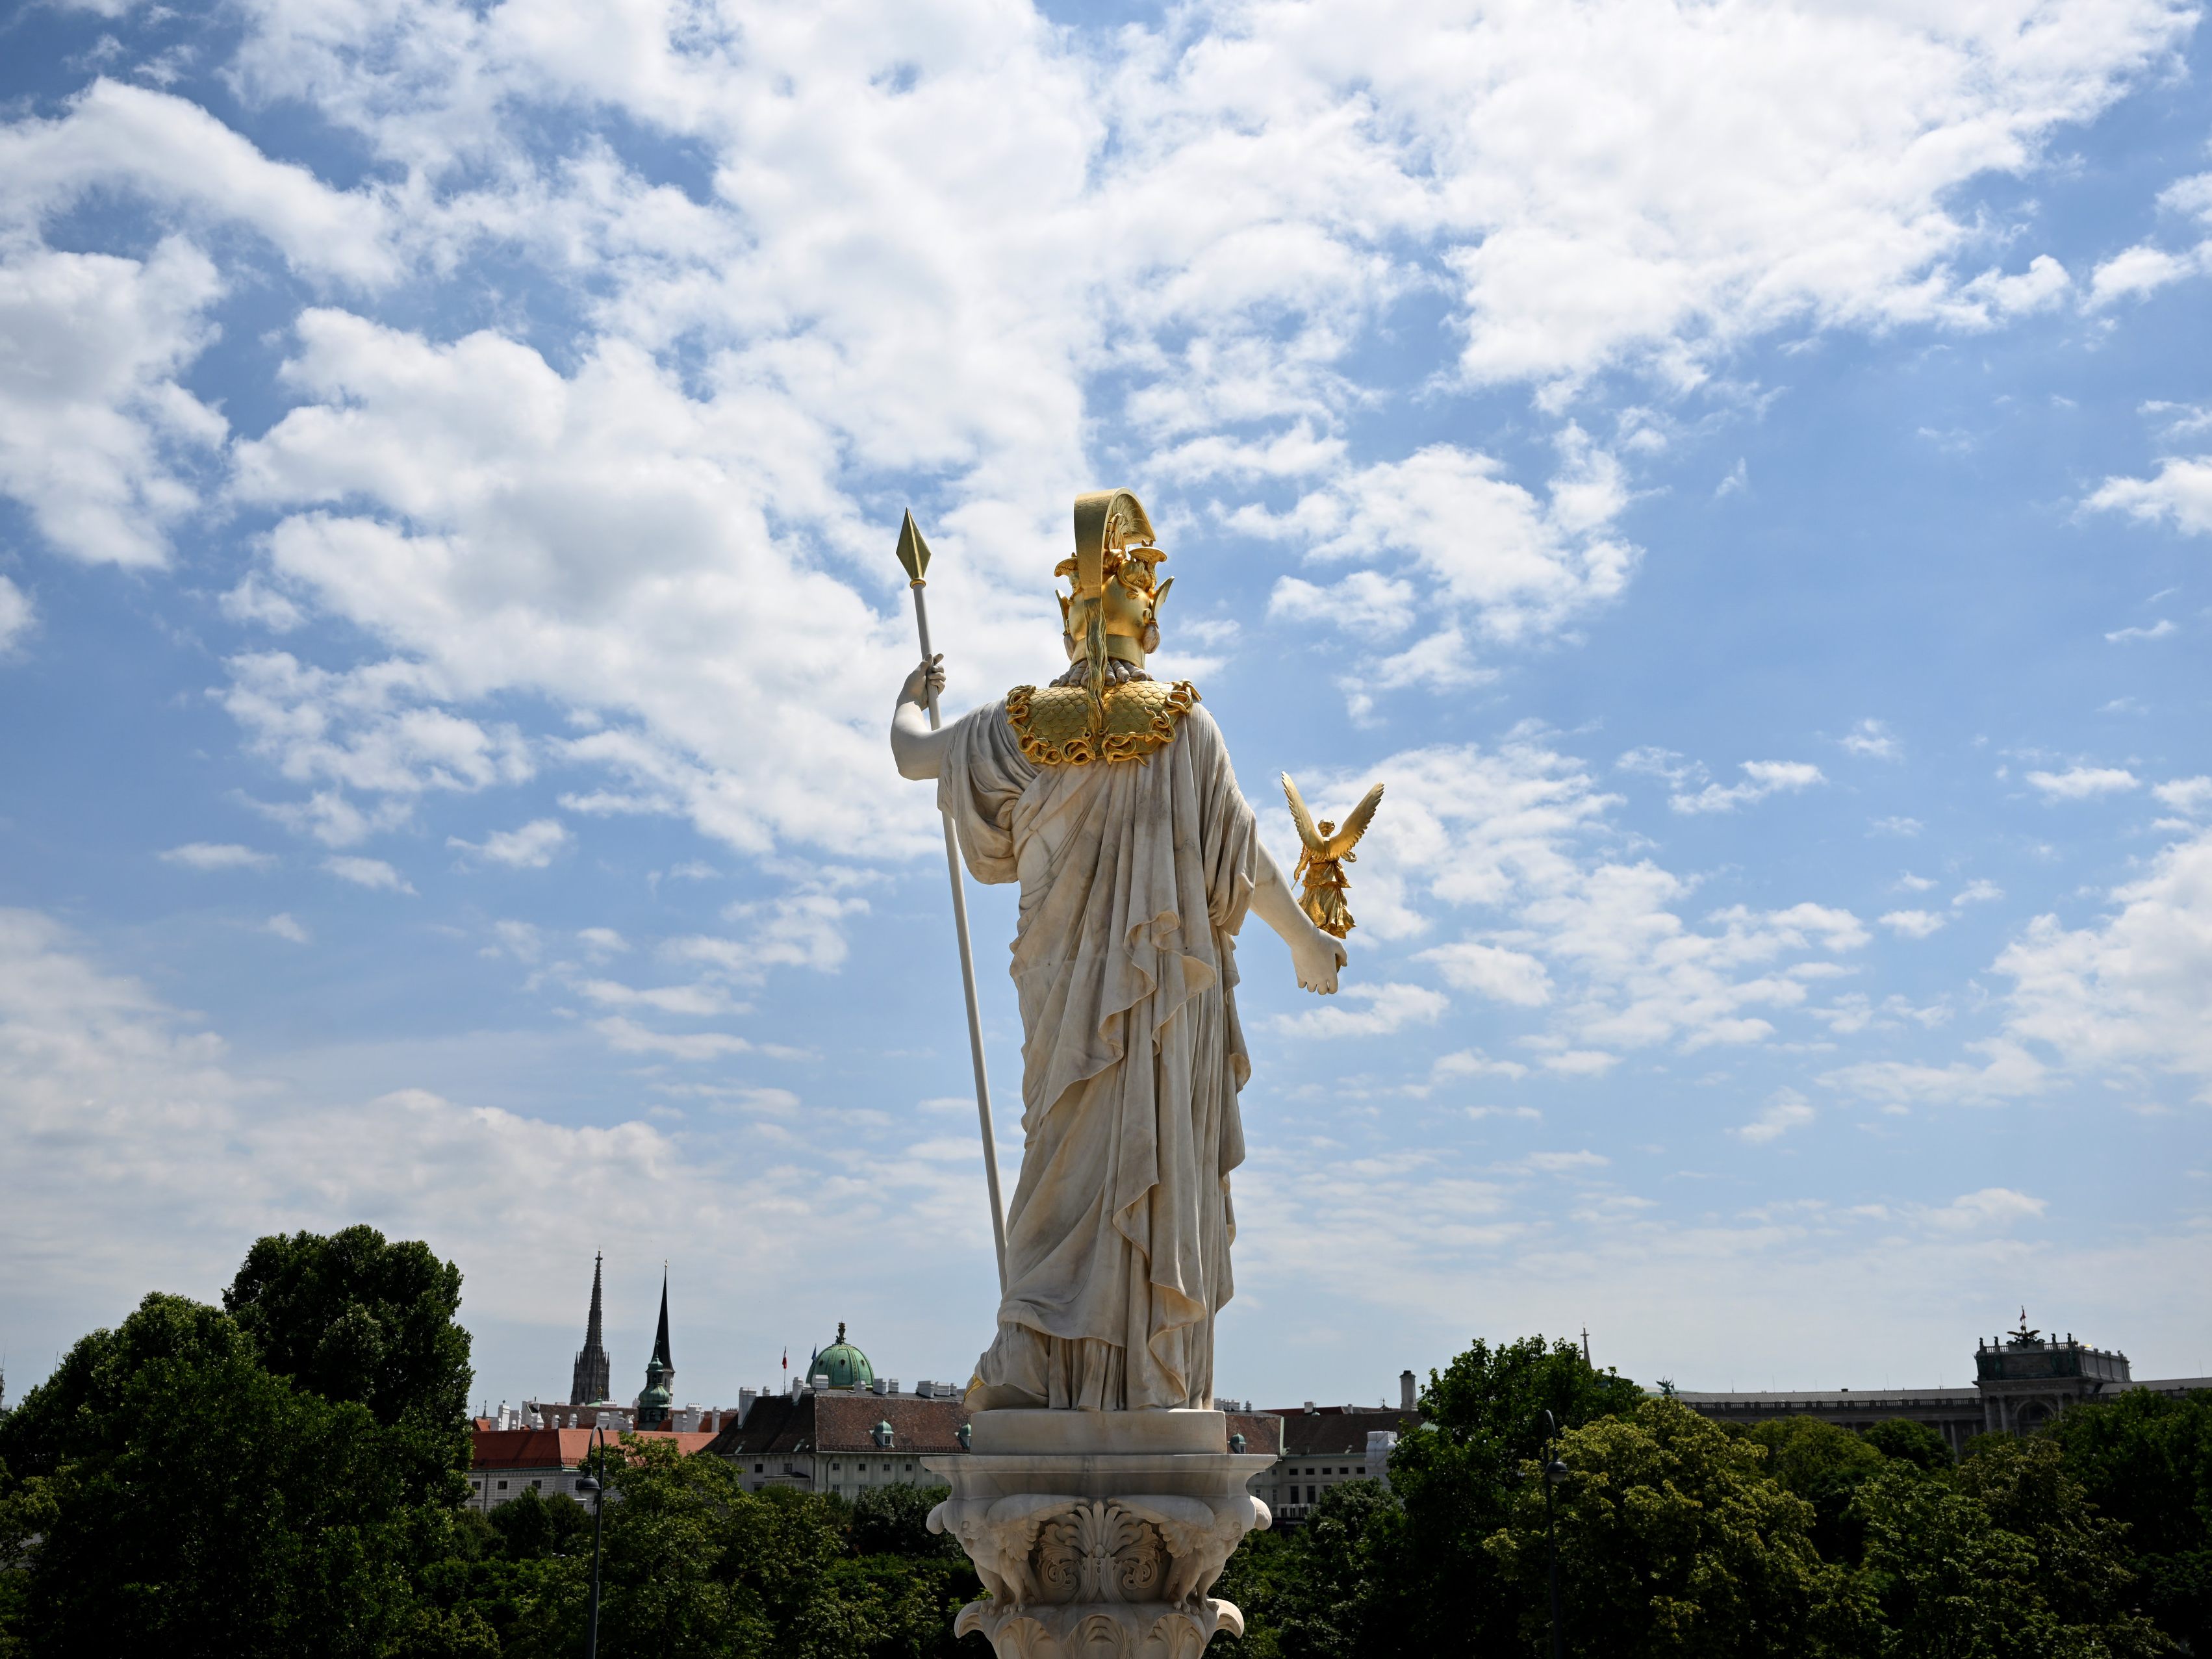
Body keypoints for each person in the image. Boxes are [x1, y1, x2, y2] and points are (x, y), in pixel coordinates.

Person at [889, 489, 1345, 1413]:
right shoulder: (1183, 727)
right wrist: (1304, 939)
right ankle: (1143, 1371)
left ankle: (1035, 1356)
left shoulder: (1015, 727)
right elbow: (1240, 855)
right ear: (1147, 618)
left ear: (1071, 618)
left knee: (1058, 1158)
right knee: (1146, 1158)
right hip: (1156, 1016)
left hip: (1057, 1000)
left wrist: (909, 693)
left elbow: (911, 755)